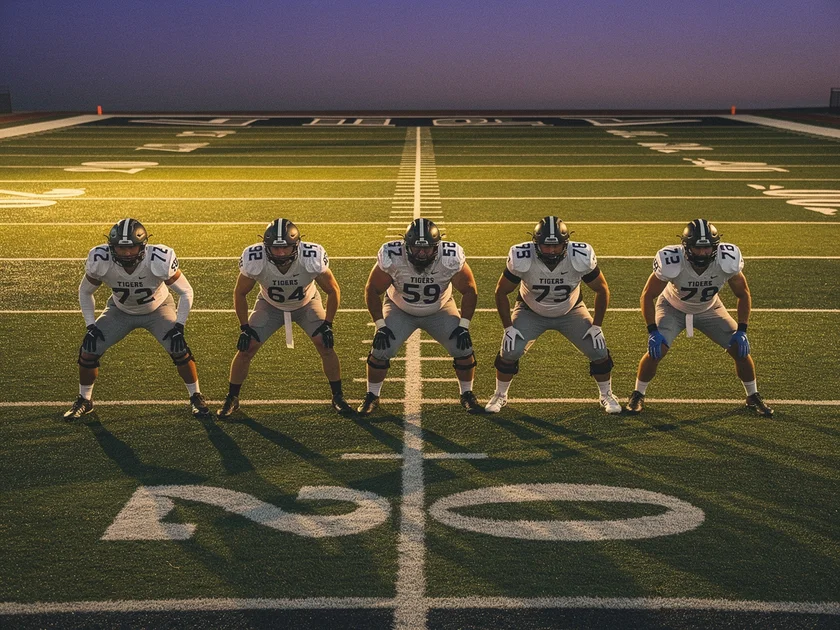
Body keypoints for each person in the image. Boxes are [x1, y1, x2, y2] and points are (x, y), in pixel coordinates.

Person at [626, 218, 773, 417]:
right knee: (656, 351)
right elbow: (647, 295)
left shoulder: (726, 260)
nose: (703, 253)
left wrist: (742, 330)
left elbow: (743, 294)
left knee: (740, 350)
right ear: (686, 247)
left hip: (710, 308)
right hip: (672, 307)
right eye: (697, 248)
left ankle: (752, 395)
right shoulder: (672, 260)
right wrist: (652, 331)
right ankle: (638, 394)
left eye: (707, 248)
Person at [64, 218, 208, 419]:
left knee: (179, 349)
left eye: (131, 247)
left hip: (158, 309)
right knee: (88, 351)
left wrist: (179, 326)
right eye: (121, 248)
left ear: (143, 246)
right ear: (112, 247)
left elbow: (186, 291)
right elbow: (85, 291)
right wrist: (90, 325)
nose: (127, 253)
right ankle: (85, 400)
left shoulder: (158, 259)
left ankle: (196, 396)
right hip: (120, 310)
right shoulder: (100, 259)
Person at [217, 218, 352, 417]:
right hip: (270, 305)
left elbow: (333, 290)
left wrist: (328, 324)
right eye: (275, 248)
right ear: (266, 246)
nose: (280, 253)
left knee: (325, 344)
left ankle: (338, 396)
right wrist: (244, 327)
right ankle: (232, 398)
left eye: (285, 247)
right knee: (247, 347)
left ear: (296, 245)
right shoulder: (255, 258)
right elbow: (240, 293)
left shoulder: (310, 256)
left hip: (306, 303)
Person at [485, 216, 621, 414]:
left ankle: (606, 394)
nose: (551, 250)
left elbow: (602, 289)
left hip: (571, 310)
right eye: (546, 246)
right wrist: (508, 327)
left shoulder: (580, 255)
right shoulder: (522, 256)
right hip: (530, 310)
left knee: (598, 350)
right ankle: (500, 394)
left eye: (556, 245)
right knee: (509, 351)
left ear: (565, 243)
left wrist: (597, 325)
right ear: (535, 243)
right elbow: (501, 291)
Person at [358, 218, 481, 416]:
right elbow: (372, 289)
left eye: (427, 249)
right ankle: (372, 395)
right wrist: (380, 325)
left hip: (440, 308)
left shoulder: (450, 257)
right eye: (416, 248)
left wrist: (464, 325)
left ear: (437, 247)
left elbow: (469, 289)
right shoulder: (392, 256)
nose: (422, 254)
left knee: (463, 348)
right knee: (381, 349)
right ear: (406, 246)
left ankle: (467, 393)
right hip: (399, 308)